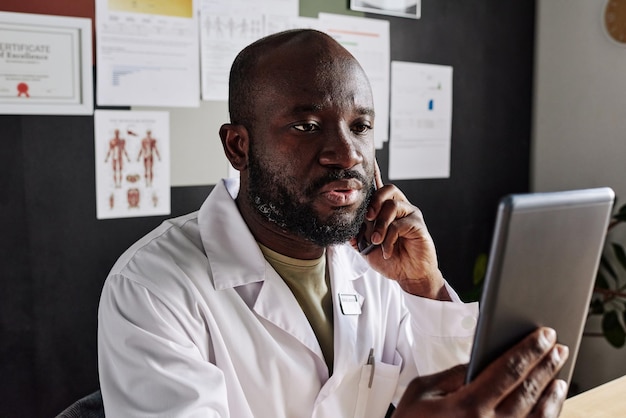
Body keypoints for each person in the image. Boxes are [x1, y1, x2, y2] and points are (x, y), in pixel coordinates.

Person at [98, 29, 569, 417]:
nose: (346, 154)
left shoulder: (379, 265)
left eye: (360, 127)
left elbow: (462, 398)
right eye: (306, 125)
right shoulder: (151, 288)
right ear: (239, 147)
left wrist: (424, 287)